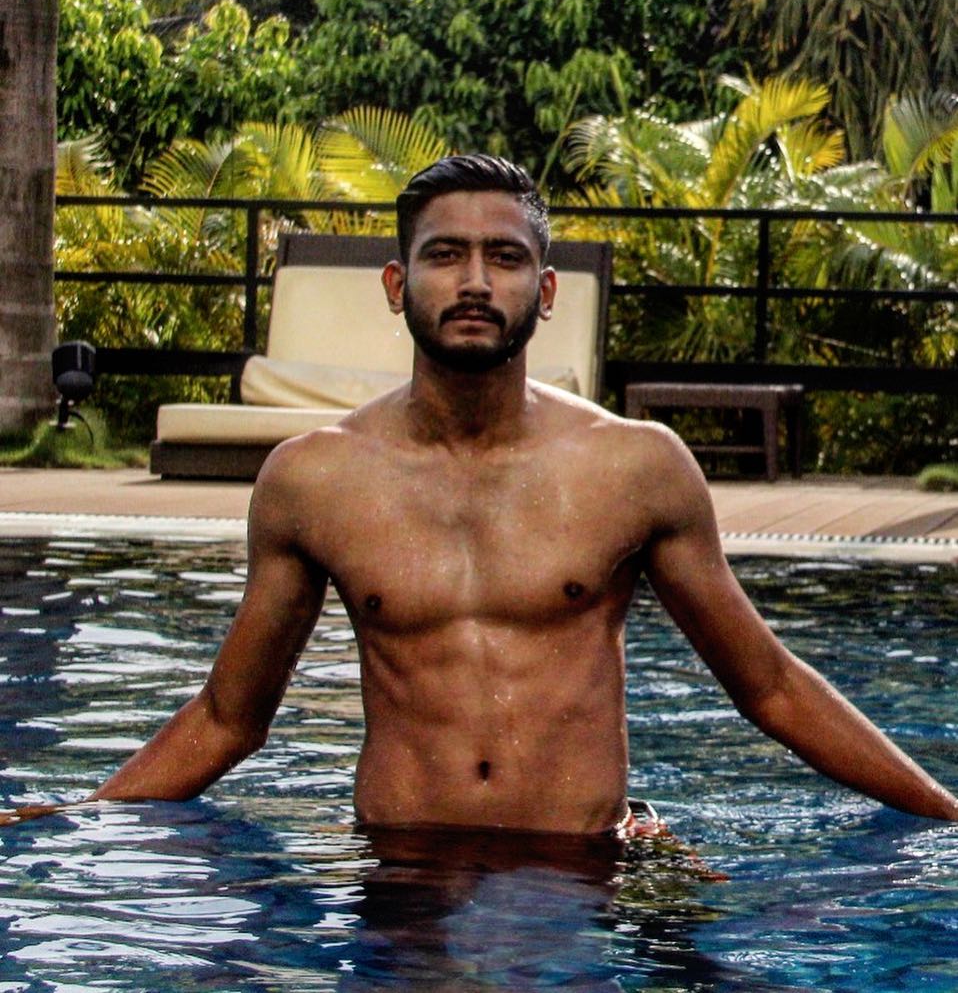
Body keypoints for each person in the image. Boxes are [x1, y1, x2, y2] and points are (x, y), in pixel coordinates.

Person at [6, 154, 958, 833]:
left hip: (582, 872)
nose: (473, 281)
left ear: (546, 290)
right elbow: (229, 718)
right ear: (396, 283)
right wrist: (85, 817)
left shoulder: (636, 468)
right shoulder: (313, 479)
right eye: (444, 255)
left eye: (504, 258)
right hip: (401, 877)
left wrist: (946, 818)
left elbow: (772, 687)